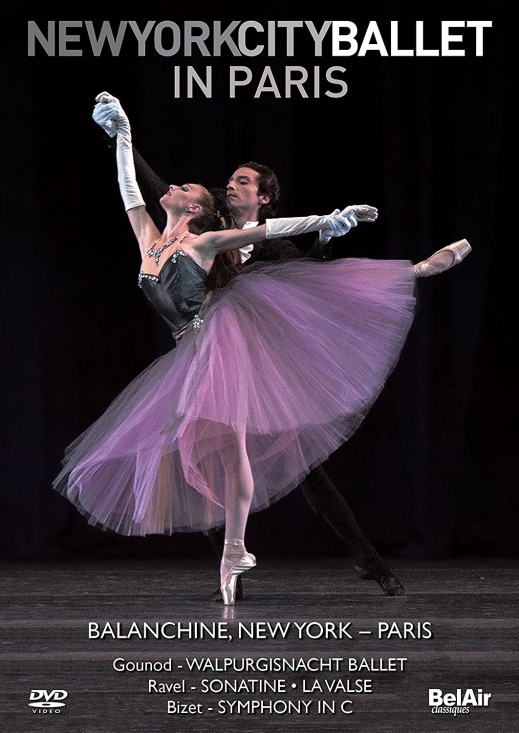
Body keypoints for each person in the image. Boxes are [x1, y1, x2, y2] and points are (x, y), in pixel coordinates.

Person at [53, 93, 471, 605]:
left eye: (243, 181)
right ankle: (231, 568)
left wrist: (328, 229)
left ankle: (368, 560)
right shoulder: (199, 224)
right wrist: (120, 135)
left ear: (265, 196)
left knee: (299, 465)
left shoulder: (251, 242)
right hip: (201, 352)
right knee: (203, 461)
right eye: (228, 181)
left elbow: (309, 279)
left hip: (249, 351)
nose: (230, 184)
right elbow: (145, 188)